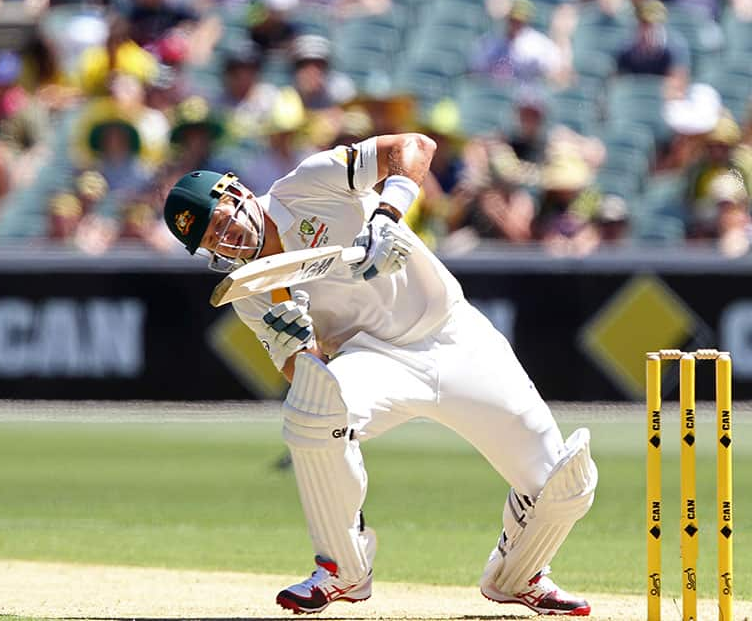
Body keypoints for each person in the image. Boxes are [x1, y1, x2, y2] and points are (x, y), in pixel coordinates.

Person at [161, 133, 598, 615]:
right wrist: (299, 346)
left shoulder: (306, 185)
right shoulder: (251, 287)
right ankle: (343, 569)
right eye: (211, 238)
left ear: (239, 193)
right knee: (310, 412)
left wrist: (386, 217)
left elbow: (414, 146)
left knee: (565, 480)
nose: (230, 237)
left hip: (455, 337)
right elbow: (304, 372)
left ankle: (519, 575)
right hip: (371, 359)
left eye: (223, 220)